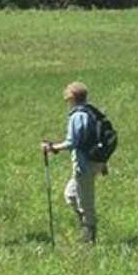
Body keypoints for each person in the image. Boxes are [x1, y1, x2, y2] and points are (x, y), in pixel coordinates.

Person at [41, 81, 106, 244]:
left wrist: (52, 148)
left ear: (71, 97)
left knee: (86, 203)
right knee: (71, 194)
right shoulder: (90, 112)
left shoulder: (78, 116)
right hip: (92, 162)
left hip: (84, 165)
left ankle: (89, 238)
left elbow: (73, 142)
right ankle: (86, 227)